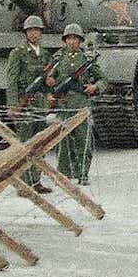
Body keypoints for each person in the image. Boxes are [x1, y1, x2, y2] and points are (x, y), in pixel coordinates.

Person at [50, 24, 106, 186]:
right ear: (65, 41)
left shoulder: (87, 60)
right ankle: (64, 174)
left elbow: (103, 79)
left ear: (80, 41)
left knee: (84, 141)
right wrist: (51, 90)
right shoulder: (58, 60)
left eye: (75, 38)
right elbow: (50, 79)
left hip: (81, 104)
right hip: (64, 105)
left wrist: (95, 87)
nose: (72, 42)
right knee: (63, 142)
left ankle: (83, 174)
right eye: (69, 38)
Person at [5, 15, 54, 193]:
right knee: (25, 143)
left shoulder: (46, 54)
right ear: (26, 33)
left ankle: (36, 180)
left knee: (40, 143)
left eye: (37, 30)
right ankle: (24, 183)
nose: (34, 33)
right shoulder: (18, 53)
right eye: (31, 30)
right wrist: (13, 104)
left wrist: (49, 92)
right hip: (23, 103)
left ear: (41, 33)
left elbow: (47, 80)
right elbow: (11, 80)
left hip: (39, 104)